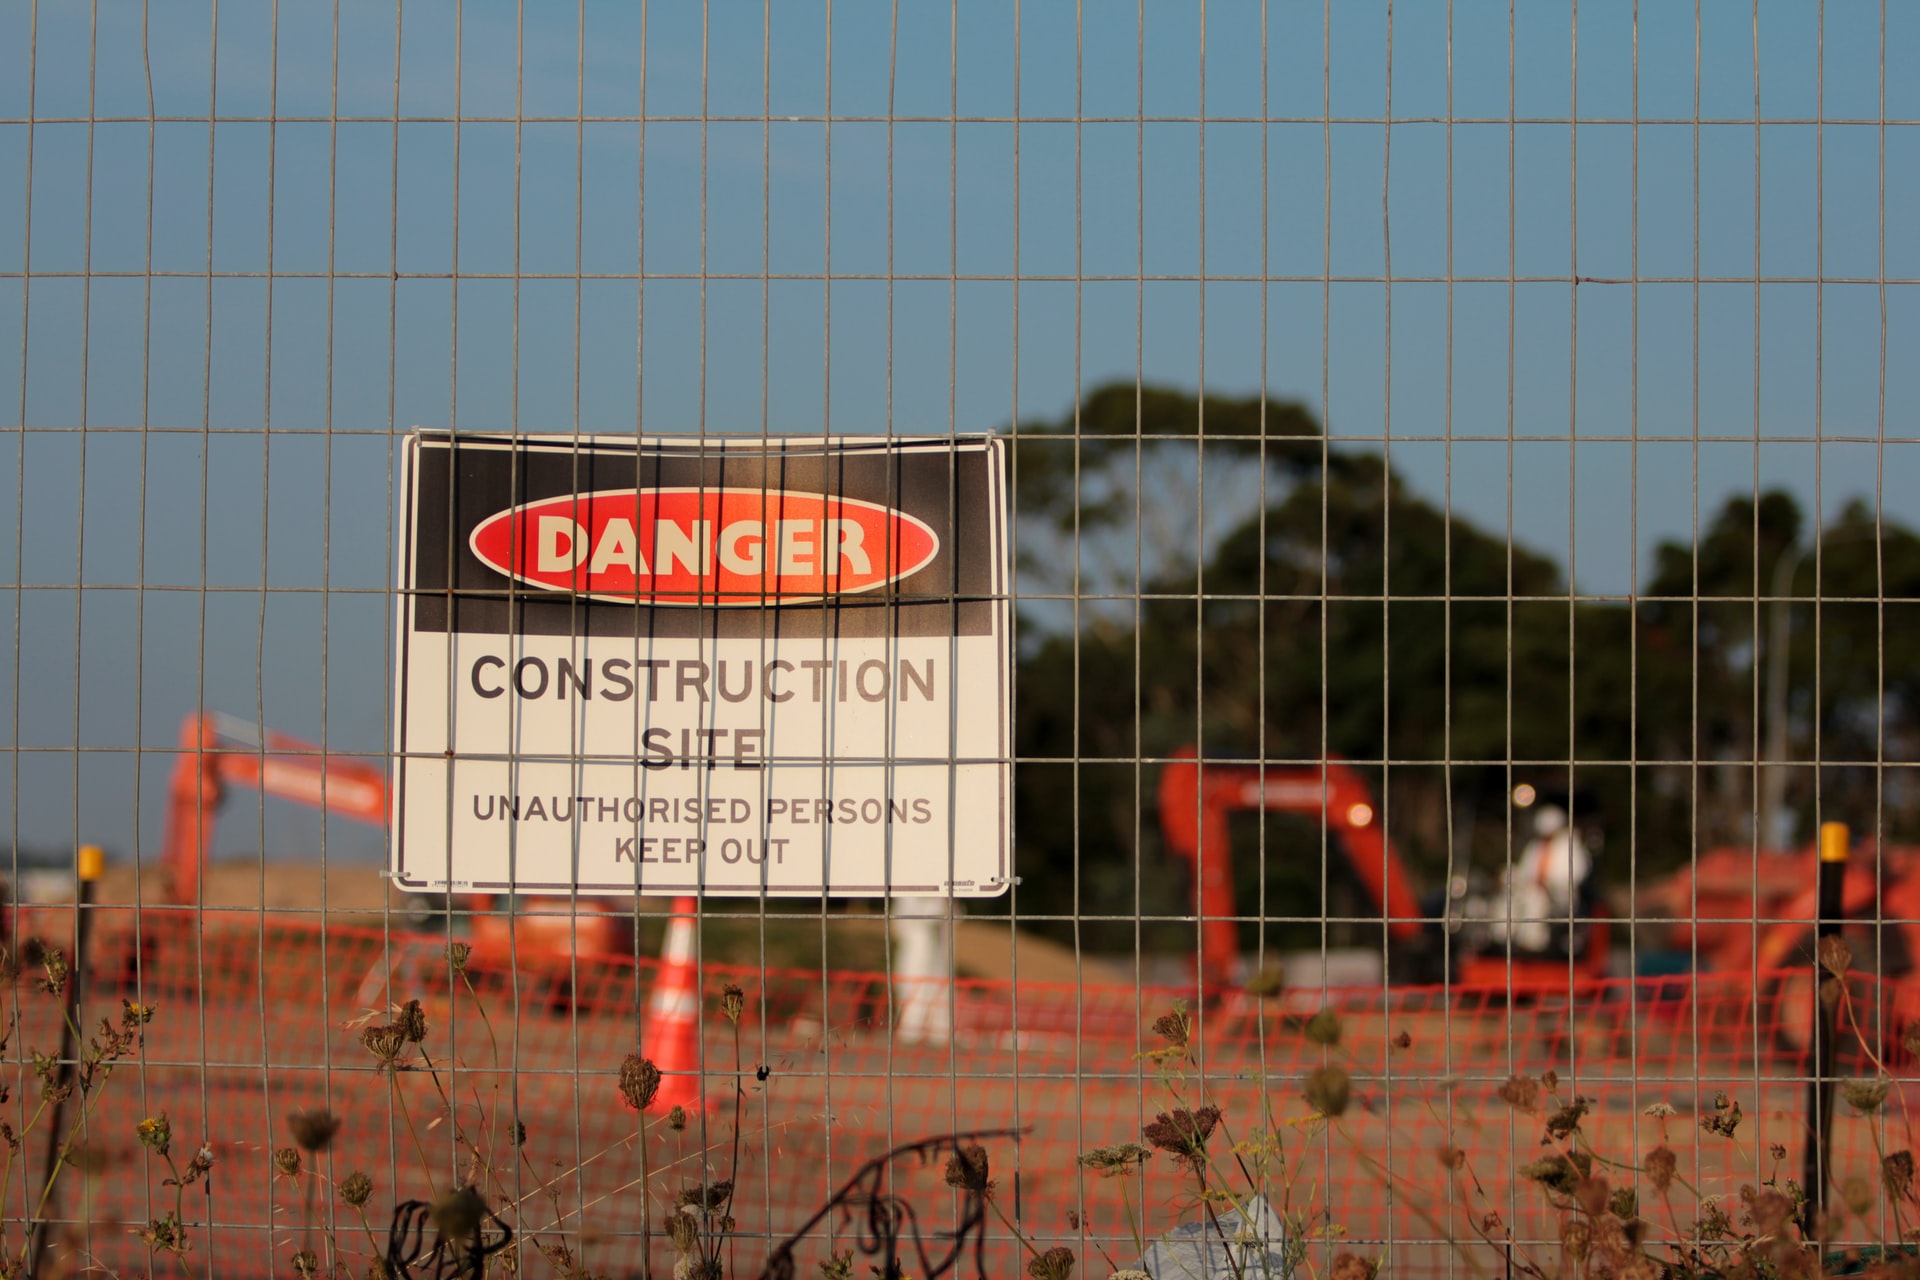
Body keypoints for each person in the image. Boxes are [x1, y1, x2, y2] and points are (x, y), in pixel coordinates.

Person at [1492, 804, 1592, 955]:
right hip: (1530, 890)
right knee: (1508, 899)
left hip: (1559, 897)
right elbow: (1525, 871)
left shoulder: (1571, 846)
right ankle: (1503, 937)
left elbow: (1577, 874)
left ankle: (1533, 944)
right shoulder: (1535, 847)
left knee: (1536, 900)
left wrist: (1548, 882)